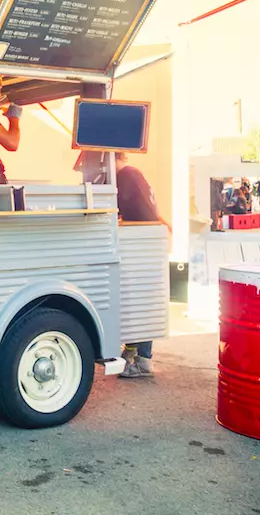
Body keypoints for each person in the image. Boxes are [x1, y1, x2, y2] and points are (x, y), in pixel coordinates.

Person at [115, 151, 171, 378]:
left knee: (137, 296)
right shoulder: (135, 173)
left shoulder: (124, 176)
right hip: (150, 238)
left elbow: (118, 209)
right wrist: (166, 225)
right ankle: (133, 351)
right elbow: (150, 209)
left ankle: (143, 360)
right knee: (141, 297)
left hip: (141, 241)